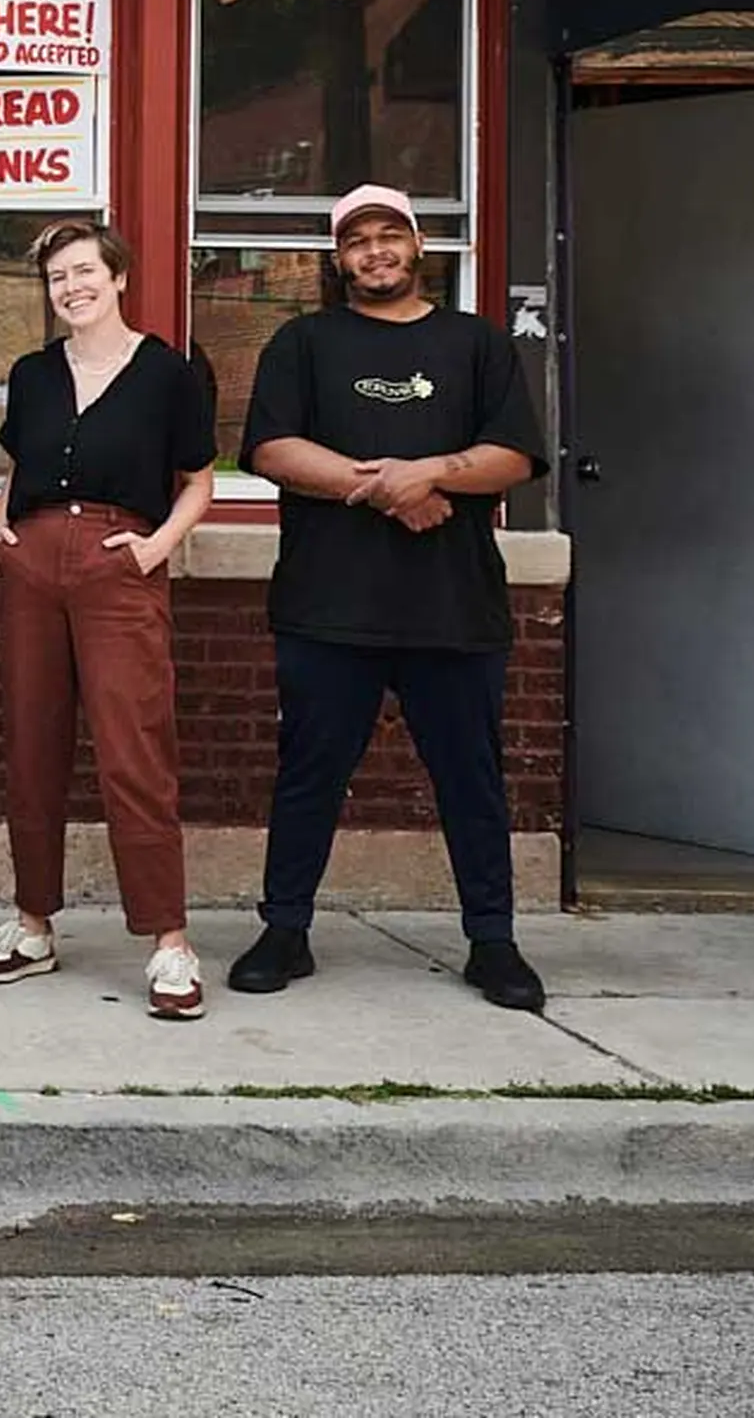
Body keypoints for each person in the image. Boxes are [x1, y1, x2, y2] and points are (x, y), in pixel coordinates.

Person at [229, 184, 553, 1013]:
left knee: (471, 778)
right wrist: (384, 489)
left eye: (389, 237)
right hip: (327, 603)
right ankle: (285, 929)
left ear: (417, 247)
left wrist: (430, 473)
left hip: (453, 606)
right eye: (357, 241)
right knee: (307, 773)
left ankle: (493, 939)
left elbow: (513, 454)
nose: (374, 252)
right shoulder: (303, 342)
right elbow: (270, 448)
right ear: (338, 259)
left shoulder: (476, 345)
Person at [0, 219, 219, 1020]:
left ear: (118, 278)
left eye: (84, 271)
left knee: (133, 747)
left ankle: (168, 940)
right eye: (56, 278)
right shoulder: (34, 373)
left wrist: (154, 550)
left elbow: (200, 481)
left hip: (119, 562)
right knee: (32, 742)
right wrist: (3, 530)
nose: (70, 287)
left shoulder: (168, 373)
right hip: (33, 562)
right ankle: (34, 923)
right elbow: (18, 464)